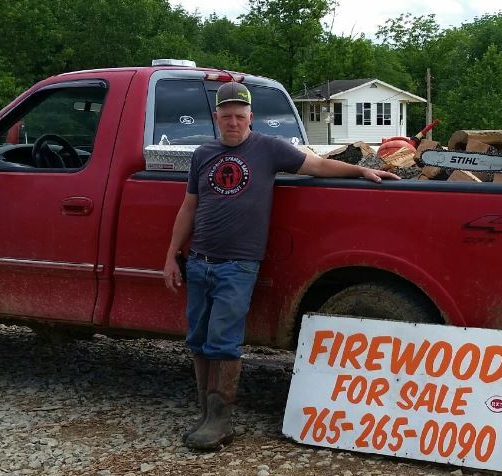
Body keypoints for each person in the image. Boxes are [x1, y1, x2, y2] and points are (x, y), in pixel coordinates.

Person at [162, 82, 400, 450]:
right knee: (197, 338)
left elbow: (317, 165)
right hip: (199, 262)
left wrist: (360, 172)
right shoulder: (203, 155)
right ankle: (205, 414)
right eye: (227, 116)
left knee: (223, 341)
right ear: (217, 118)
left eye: (240, 116)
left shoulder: (268, 149)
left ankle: (220, 422)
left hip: (238, 265)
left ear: (250, 118)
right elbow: (188, 207)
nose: (234, 122)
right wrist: (171, 256)